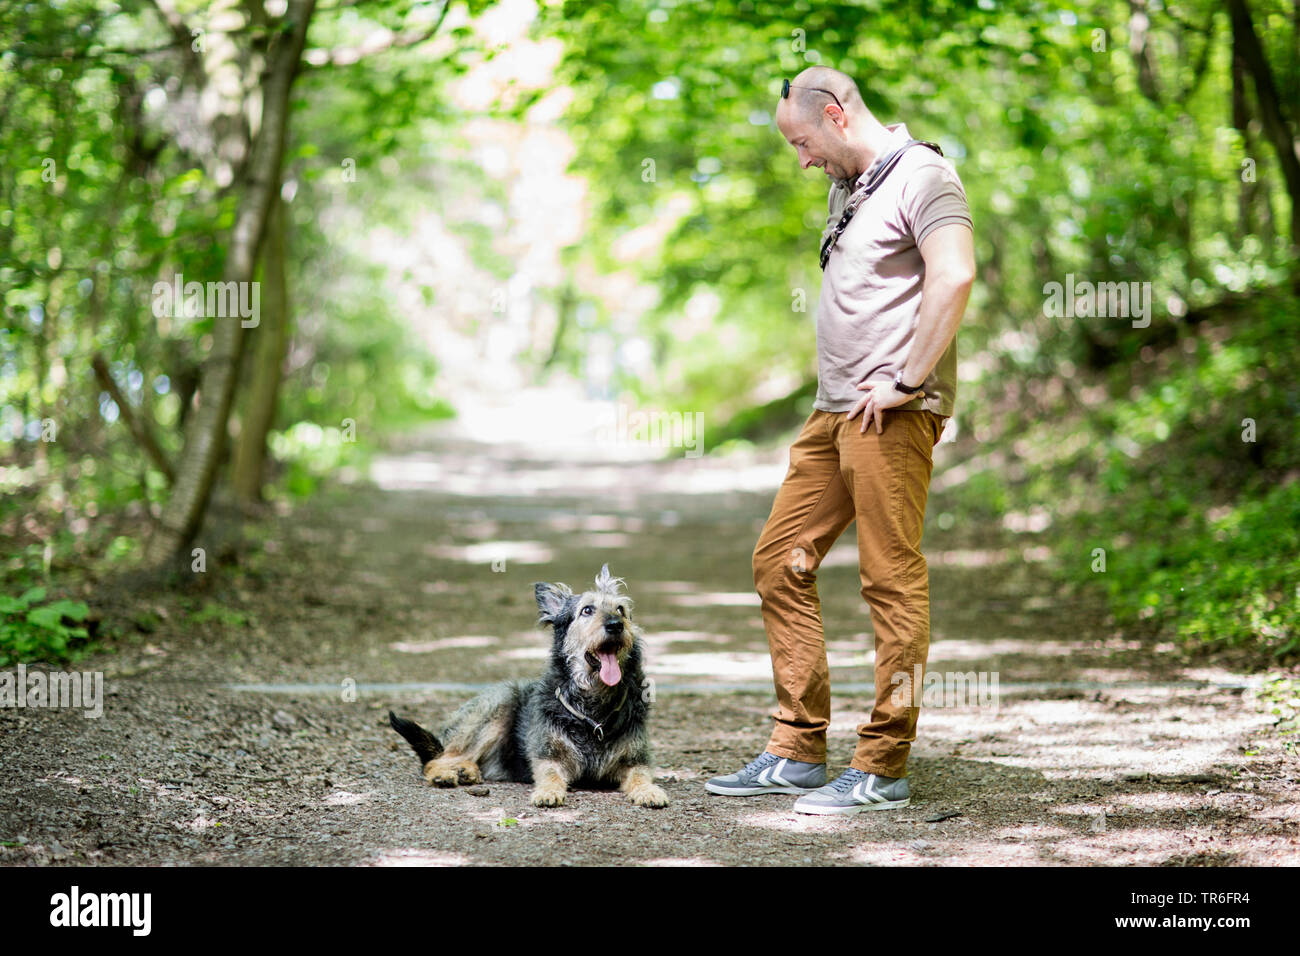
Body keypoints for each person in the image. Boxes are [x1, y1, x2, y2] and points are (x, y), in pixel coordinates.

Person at [705, 66, 975, 815]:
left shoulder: (925, 174)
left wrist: (908, 378)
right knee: (778, 561)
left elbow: (954, 276)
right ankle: (796, 749)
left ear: (834, 113)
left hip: (892, 416)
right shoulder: (851, 187)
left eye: (802, 142)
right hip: (833, 416)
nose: (802, 159)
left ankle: (883, 764)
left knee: (890, 580)